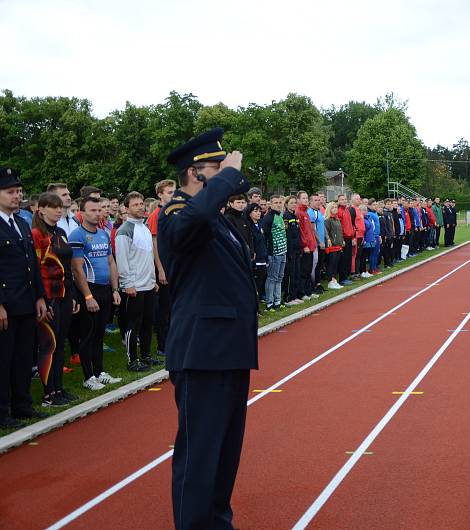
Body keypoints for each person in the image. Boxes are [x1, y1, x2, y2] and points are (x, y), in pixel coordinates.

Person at [158, 128, 258, 530]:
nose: (228, 175)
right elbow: (193, 220)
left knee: (224, 453)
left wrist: (227, 178)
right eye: (216, 168)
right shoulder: (177, 214)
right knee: (199, 454)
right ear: (194, 173)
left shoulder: (217, 219)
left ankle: (217, 522)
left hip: (228, 350)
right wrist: (226, 178)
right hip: (202, 352)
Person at [0, 168, 48, 427]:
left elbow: (32, 263)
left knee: (22, 357)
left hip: (26, 301)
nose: (17, 196)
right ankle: (2, 411)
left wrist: (39, 296)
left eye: (18, 191)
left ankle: (22, 404)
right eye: (10, 192)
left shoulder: (21, 223)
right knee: (3, 359)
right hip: (6, 303)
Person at [69, 196, 123, 390]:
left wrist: (115, 288)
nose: (97, 213)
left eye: (99, 210)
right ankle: (88, 376)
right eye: (92, 210)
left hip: (105, 289)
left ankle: (100, 372)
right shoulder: (77, 235)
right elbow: (76, 269)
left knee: (100, 334)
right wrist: (87, 296)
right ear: (82, 213)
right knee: (88, 334)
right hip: (89, 290)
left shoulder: (103, 234)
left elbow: (110, 262)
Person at [31, 192, 80, 407]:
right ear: (41, 209)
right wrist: (41, 298)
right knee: (48, 344)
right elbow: (35, 269)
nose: (59, 210)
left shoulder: (60, 232)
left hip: (64, 293)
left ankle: (59, 388)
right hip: (48, 295)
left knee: (60, 343)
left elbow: (68, 267)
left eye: (60, 207)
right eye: (53, 206)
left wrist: (74, 295)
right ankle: (48, 394)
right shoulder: (36, 233)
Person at [116, 192, 160, 372]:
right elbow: (122, 259)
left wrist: (153, 280)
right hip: (134, 287)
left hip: (148, 284)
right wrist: (128, 284)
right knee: (133, 324)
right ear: (126, 209)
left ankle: (146, 355)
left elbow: (148, 257)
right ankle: (132, 359)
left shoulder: (145, 228)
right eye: (135, 205)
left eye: (142, 204)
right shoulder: (124, 231)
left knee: (147, 322)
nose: (140, 207)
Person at [148, 179, 176, 359]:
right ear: (160, 194)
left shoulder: (175, 212)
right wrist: (161, 269)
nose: (174, 195)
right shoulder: (156, 215)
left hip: (177, 266)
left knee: (176, 307)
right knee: (164, 309)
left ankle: (175, 341)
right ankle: (162, 345)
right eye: (170, 192)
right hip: (164, 267)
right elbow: (155, 244)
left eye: (175, 191)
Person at [263, 195, 287, 311]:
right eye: (276, 203)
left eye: (280, 202)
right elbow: (265, 236)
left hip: (283, 251)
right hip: (274, 253)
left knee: (279, 277)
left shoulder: (280, 216)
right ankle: (269, 303)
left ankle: (277, 301)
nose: (278, 204)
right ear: (271, 204)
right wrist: (268, 253)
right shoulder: (269, 218)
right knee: (272, 278)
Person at [282, 196, 303, 306]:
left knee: (296, 273)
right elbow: (288, 235)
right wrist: (289, 251)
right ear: (286, 204)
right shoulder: (286, 216)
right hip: (290, 250)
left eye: (295, 203)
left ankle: (294, 295)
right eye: (291, 203)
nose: (294, 204)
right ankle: (288, 297)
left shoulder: (295, 216)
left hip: (296, 249)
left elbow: (297, 234)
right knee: (290, 274)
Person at [245, 203, 268, 304]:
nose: (258, 213)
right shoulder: (248, 226)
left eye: (259, 211)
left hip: (263, 258)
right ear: (249, 213)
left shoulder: (260, 224)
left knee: (260, 283)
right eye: (255, 211)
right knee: (254, 285)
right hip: (255, 260)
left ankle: (257, 304)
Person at [324, 201, 344, 289]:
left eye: (336, 207)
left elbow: (340, 232)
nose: (335, 209)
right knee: (331, 264)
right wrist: (330, 240)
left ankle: (334, 280)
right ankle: (330, 281)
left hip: (338, 245)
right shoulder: (328, 220)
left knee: (336, 264)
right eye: (333, 207)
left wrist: (342, 240)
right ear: (329, 209)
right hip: (332, 246)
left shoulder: (337, 219)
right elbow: (326, 233)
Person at [335, 194, 355, 285]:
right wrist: (341, 238)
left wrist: (353, 236)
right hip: (343, 238)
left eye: (345, 199)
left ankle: (346, 276)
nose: (344, 201)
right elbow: (339, 227)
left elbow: (350, 224)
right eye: (342, 199)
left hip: (349, 237)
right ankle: (342, 278)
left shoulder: (347, 210)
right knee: (343, 259)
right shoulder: (339, 211)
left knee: (348, 258)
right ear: (338, 201)